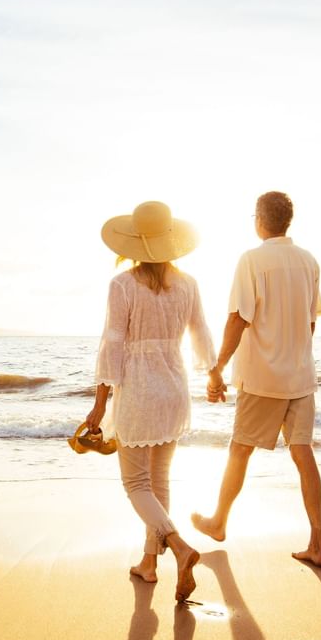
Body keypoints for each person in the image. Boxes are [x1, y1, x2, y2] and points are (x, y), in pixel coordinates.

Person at [85, 200, 217, 602]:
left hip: (140, 390)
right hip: (174, 387)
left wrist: (100, 403)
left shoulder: (123, 285)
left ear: (134, 242)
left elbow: (113, 343)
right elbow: (200, 332)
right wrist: (213, 374)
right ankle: (149, 563)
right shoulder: (188, 284)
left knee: (136, 483)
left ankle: (178, 546)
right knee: (159, 480)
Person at [192, 191, 321, 567]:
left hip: (263, 377)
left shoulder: (251, 260)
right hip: (301, 376)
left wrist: (218, 368)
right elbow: (310, 322)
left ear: (259, 220)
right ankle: (318, 543)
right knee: (303, 453)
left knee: (240, 449)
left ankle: (219, 521)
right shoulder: (309, 261)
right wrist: (296, 355)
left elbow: (238, 318)